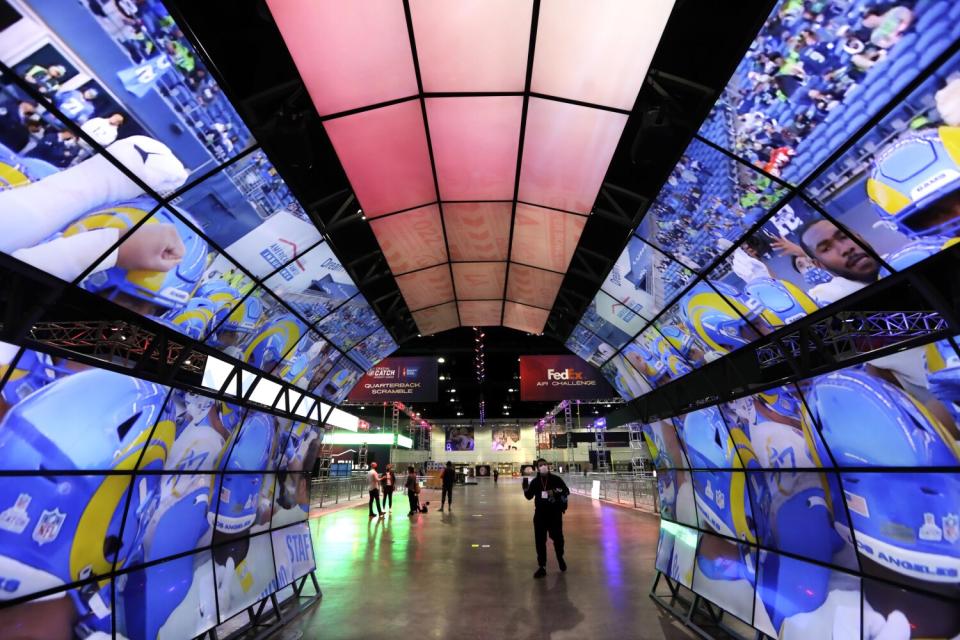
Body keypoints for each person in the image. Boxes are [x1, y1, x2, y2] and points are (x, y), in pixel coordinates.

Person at [522, 458, 570, 578]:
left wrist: (553, 492)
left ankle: (560, 557)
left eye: (544, 464)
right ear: (537, 468)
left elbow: (566, 491)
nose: (543, 466)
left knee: (558, 539)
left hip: (554, 515)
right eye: (540, 465)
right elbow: (529, 496)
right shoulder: (535, 482)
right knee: (540, 541)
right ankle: (542, 566)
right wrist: (525, 489)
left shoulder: (556, 479)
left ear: (547, 466)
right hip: (540, 516)